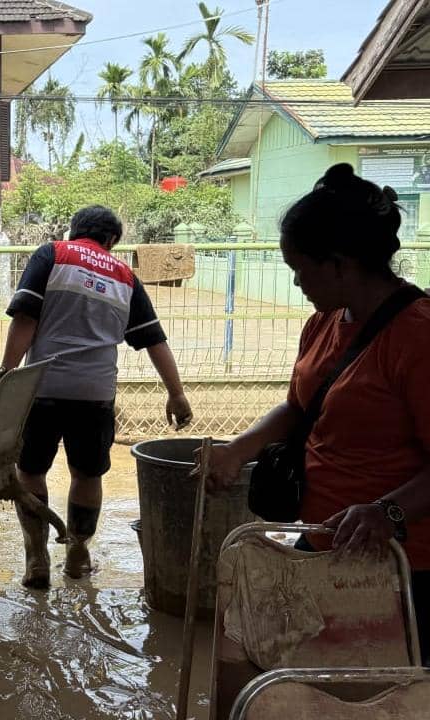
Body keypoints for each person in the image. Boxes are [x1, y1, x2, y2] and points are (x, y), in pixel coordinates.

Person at [198, 163, 430, 665]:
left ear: (341, 264)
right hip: (327, 543)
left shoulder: (417, 336)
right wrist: (239, 448)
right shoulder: (325, 322)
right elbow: (298, 407)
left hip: (402, 567)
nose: (297, 282)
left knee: (382, 694)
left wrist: (386, 512)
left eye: (301, 269)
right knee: (274, 666)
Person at [1, 205, 193, 589]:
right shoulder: (125, 276)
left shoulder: (52, 254)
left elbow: (26, 320)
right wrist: (177, 394)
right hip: (95, 394)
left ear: (75, 232)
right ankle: (76, 552)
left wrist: (7, 377)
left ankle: (37, 557)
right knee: (87, 474)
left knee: (30, 469)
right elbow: (154, 340)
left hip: (42, 389)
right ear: (112, 242)